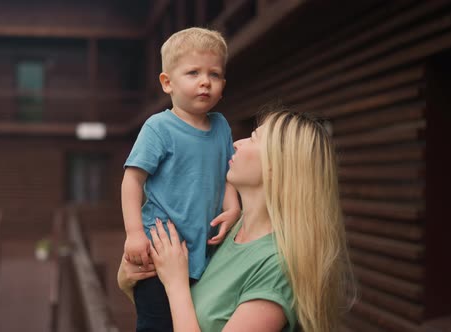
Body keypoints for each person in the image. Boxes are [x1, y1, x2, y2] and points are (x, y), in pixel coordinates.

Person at [119, 109, 357, 332]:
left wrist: (175, 284)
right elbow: (169, 316)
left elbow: (179, 296)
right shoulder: (226, 229)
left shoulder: (278, 268)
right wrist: (129, 278)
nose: (236, 144)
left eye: (253, 139)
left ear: (277, 166)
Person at [121, 27, 241, 331]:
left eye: (214, 75)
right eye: (193, 73)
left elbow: (227, 174)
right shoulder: (159, 128)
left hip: (203, 252)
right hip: (160, 250)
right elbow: (132, 181)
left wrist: (234, 208)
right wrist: (134, 233)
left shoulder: (221, 126)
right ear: (167, 82)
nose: (205, 81)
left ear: (223, 85)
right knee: (157, 324)